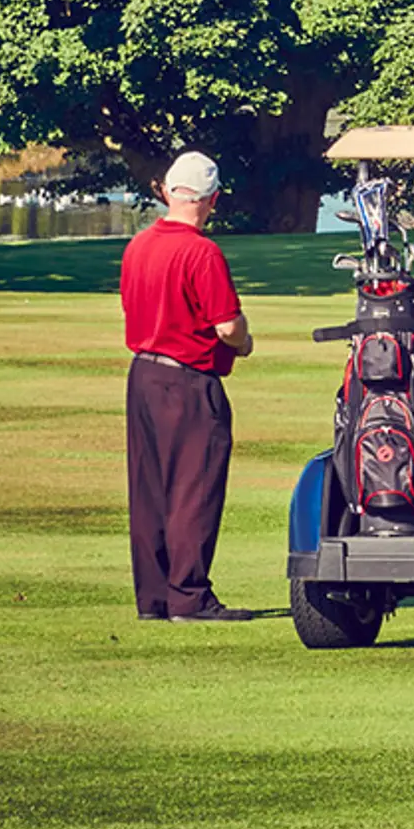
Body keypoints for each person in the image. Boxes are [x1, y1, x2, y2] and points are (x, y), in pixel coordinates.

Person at [120, 149, 254, 622]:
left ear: (167, 191)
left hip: (143, 375)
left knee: (150, 488)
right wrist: (245, 342)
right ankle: (190, 595)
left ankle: (154, 598)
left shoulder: (138, 246)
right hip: (188, 378)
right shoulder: (201, 251)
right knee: (193, 488)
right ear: (211, 199)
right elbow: (226, 326)